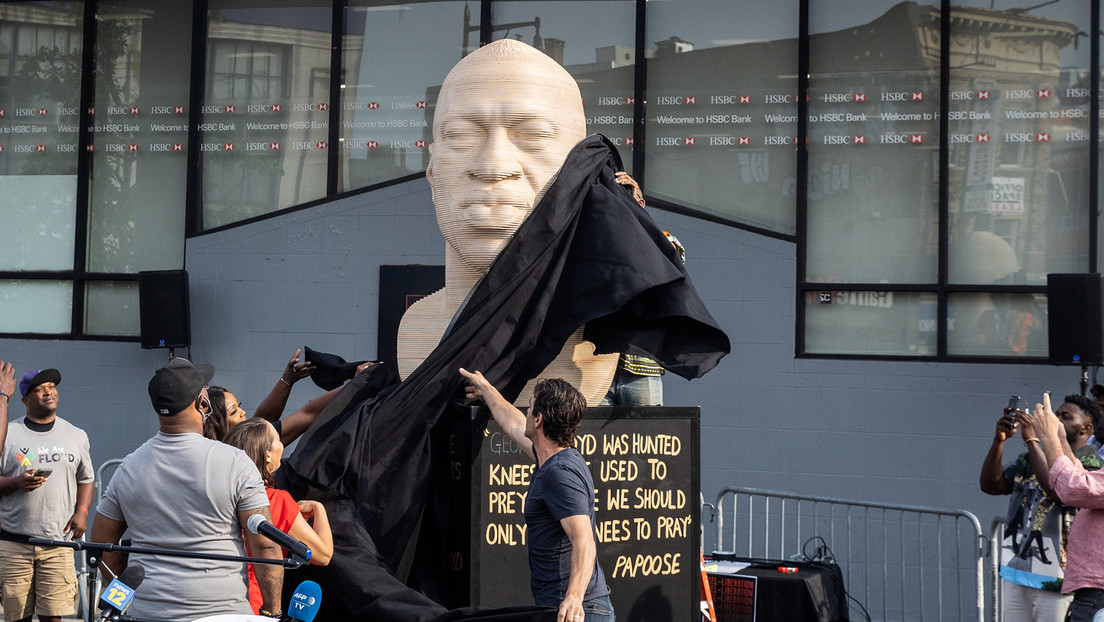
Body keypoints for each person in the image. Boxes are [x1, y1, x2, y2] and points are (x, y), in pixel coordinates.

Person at [397, 38, 618, 406]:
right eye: (461, 135)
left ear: (582, 174)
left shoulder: (601, 333)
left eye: (533, 135)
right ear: (432, 173)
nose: (493, 166)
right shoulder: (415, 328)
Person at [90, 358, 284, 619]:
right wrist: (272, 611)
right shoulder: (236, 463)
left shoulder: (128, 468)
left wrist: (128, 599)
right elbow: (265, 546)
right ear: (203, 404)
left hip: (148, 613)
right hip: (222, 613)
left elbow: (102, 544)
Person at [460, 367, 614, 622]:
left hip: (578, 610)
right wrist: (486, 390)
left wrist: (574, 597)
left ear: (539, 419)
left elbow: (583, 538)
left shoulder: (560, 473)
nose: (526, 413)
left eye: (530, 407)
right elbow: (513, 424)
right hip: (563, 607)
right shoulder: (552, 458)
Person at [980, 393, 1101, 621]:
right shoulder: (1032, 458)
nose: (1055, 419)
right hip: (1018, 569)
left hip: (1058, 578)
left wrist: (1033, 441)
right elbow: (992, 485)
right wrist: (1000, 440)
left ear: (1086, 428)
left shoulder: (1091, 463)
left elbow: (1061, 492)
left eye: (1066, 416)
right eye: (1056, 414)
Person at [0, 368, 93, 622]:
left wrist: (82, 512)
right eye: (40, 389)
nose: (48, 392)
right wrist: (17, 482)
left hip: (58, 543)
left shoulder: (76, 435)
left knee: (53, 617)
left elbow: (86, 479)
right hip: (14, 543)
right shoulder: (7, 433)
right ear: (24, 399)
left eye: (52, 387)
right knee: (16, 617)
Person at [224, 418, 332, 613]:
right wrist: (319, 509)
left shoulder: (218, 496)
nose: (282, 445)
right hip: (255, 607)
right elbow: (323, 555)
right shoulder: (276, 500)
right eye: (278, 440)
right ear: (267, 455)